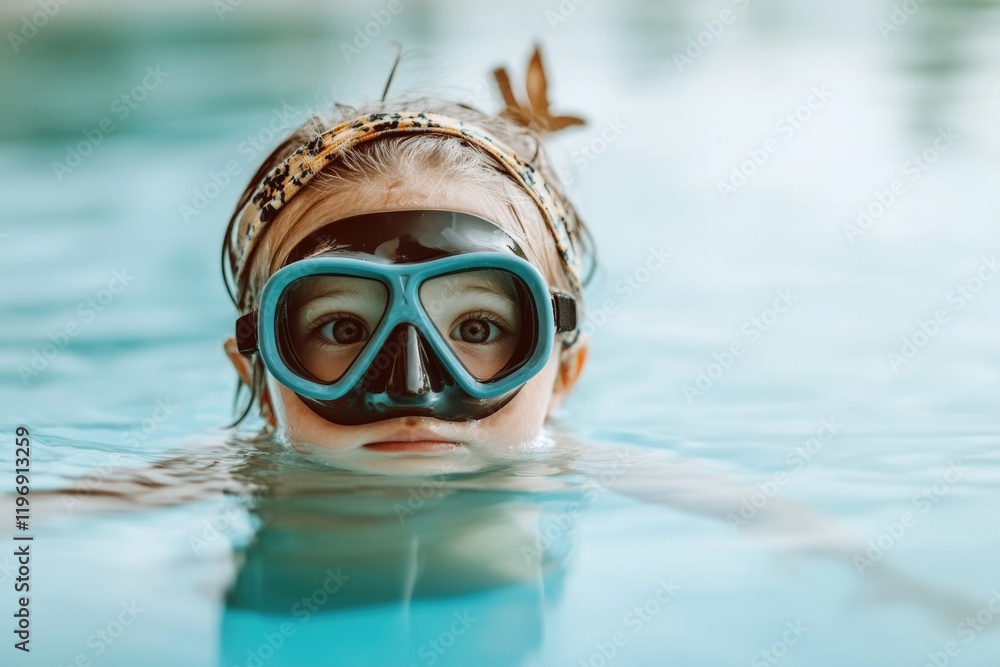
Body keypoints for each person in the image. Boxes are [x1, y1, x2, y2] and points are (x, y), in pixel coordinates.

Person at [220, 45, 594, 476]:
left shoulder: (617, 473)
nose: (412, 389)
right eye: (344, 329)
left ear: (563, 377)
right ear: (262, 384)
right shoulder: (198, 478)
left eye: (478, 328)